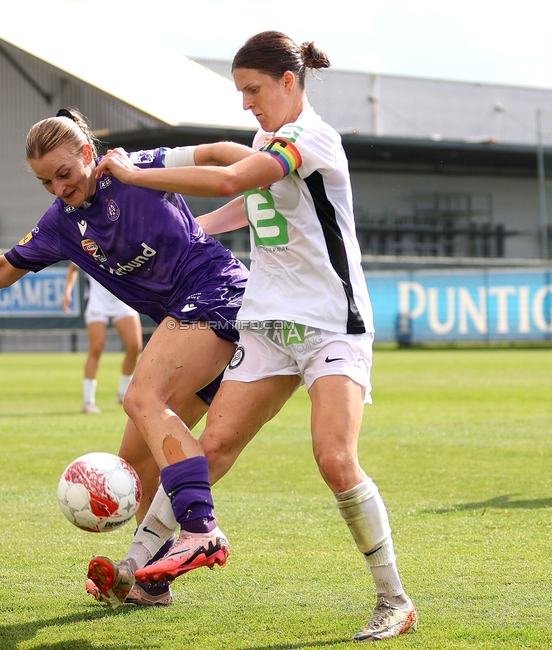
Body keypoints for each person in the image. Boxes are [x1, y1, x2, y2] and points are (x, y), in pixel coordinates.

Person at [88, 31, 416, 641]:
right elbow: (245, 204)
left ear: (289, 82)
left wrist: (134, 174)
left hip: (329, 324)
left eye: (253, 90)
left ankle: (394, 599)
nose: (246, 103)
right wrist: (190, 234)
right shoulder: (270, 137)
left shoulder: (310, 138)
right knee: (212, 446)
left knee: (334, 458)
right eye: (240, 91)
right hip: (267, 323)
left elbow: (230, 179)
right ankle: (141, 571)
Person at [0, 108, 254, 606]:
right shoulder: (60, 225)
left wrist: (272, 165)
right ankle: (151, 581)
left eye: (64, 173)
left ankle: (201, 527)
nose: (57, 187)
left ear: (88, 153)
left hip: (219, 291)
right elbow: (1, 272)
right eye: (46, 181)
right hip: (188, 322)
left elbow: (218, 155)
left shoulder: (136, 168)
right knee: (135, 463)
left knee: (141, 396)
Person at [63, 263, 143, 414]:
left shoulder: (126, 244)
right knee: (96, 348)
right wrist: (68, 292)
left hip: (123, 301)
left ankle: (122, 393)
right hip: (97, 303)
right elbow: (73, 267)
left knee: (135, 347)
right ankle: (88, 401)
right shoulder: (88, 245)